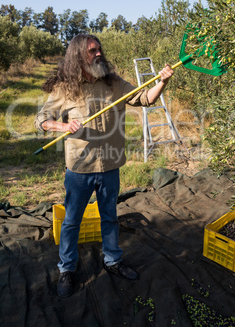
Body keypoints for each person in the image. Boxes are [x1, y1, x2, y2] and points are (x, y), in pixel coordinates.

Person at [34, 34, 173, 298]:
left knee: (109, 216)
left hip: (110, 165)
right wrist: (61, 126)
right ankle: (66, 268)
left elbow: (145, 98)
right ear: (78, 56)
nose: (98, 54)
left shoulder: (113, 82)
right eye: (92, 51)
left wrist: (163, 81)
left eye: (99, 49)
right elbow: (41, 119)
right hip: (79, 169)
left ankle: (113, 260)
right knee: (72, 221)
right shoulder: (65, 89)